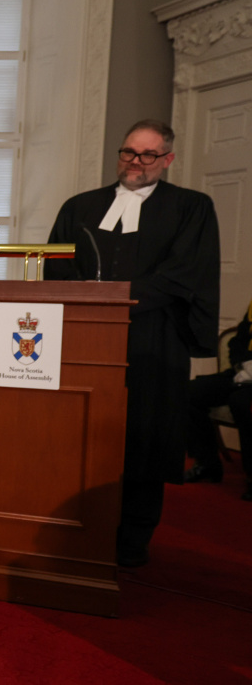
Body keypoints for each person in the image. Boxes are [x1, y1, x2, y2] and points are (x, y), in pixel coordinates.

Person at [45, 119, 220, 567]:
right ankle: (77, 524)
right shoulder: (80, 206)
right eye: (128, 153)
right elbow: (56, 266)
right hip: (84, 339)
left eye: (147, 155)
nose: (135, 163)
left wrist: (117, 301)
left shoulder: (191, 207)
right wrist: (89, 306)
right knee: (84, 434)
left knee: (144, 436)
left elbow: (183, 274)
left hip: (153, 339)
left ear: (168, 159)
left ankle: (134, 537)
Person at [183, 296, 252, 501]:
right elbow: (237, 342)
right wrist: (243, 365)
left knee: (241, 402)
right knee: (189, 393)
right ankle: (206, 464)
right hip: (244, 372)